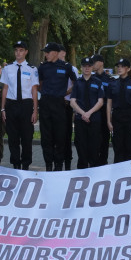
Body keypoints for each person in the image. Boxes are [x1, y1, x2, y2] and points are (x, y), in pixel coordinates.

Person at [36, 42, 75, 171]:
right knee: (46, 137)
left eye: (48, 52)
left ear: (55, 53)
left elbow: (75, 83)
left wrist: (65, 93)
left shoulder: (66, 67)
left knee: (60, 136)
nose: (46, 54)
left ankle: (58, 165)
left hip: (59, 104)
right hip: (46, 103)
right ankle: (48, 164)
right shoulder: (42, 67)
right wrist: (47, 93)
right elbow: (39, 84)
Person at [0, 41, 39, 170]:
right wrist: (3, 108)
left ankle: (26, 164)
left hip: (26, 105)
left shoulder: (32, 69)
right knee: (13, 137)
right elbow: (5, 88)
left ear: (26, 52)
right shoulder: (7, 68)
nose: (18, 53)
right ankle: (16, 164)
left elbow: (34, 90)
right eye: (16, 50)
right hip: (11, 105)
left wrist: (35, 110)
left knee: (27, 137)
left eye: (21, 50)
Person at [71, 56, 106, 168]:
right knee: (81, 146)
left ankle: (94, 170)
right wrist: (83, 113)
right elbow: (72, 101)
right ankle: (82, 171)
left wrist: (89, 113)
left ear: (92, 67)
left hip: (94, 119)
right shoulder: (77, 83)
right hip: (80, 120)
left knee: (95, 146)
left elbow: (100, 102)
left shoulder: (98, 82)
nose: (87, 68)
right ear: (81, 67)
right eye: (84, 66)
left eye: (89, 66)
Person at [106, 58, 131, 163]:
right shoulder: (113, 83)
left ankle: (130, 173)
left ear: (128, 69)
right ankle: (118, 173)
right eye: (118, 66)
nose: (119, 68)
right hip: (117, 116)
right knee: (118, 147)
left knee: (130, 147)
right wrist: (109, 121)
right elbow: (109, 104)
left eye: (122, 66)